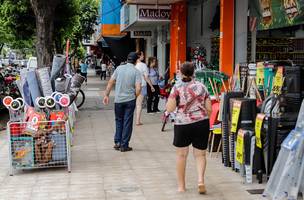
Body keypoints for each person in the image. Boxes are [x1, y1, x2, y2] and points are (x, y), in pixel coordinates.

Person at [166, 62, 212, 194]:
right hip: (201, 123)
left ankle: (181, 186)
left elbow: (170, 108)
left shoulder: (177, 88)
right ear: (194, 72)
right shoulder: (202, 87)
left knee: (181, 155)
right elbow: (209, 108)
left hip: (182, 124)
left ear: (181, 72)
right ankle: (200, 180)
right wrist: (203, 117)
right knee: (200, 155)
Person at [103, 52, 142, 152]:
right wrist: (135, 96)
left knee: (118, 120)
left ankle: (118, 142)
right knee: (127, 122)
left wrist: (106, 95)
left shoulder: (119, 68)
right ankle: (124, 145)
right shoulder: (136, 72)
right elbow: (138, 89)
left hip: (118, 101)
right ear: (136, 61)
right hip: (130, 100)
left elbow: (111, 82)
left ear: (127, 59)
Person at [135, 51, 155, 125]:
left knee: (132, 104)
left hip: (133, 86)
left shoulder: (133, 64)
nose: (143, 56)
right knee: (139, 104)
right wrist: (151, 86)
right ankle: (137, 121)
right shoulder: (143, 65)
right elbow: (146, 77)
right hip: (141, 86)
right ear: (139, 56)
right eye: (142, 55)